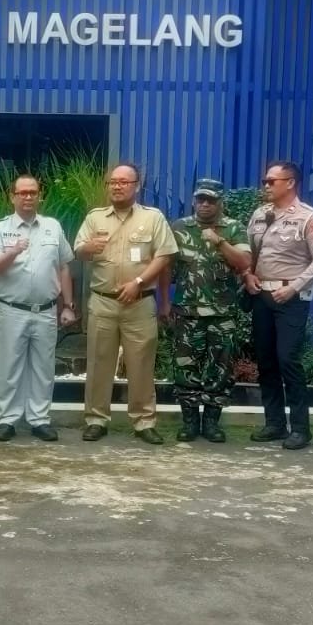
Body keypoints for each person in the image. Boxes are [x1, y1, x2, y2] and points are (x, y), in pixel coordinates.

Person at [74, 163, 178, 444]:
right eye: (112, 182)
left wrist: (139, 283)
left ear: (136, 185)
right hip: (103, 302)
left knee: (141, 363)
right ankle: (96, 419)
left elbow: (164, 256)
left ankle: (144, 422)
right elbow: (78, 250)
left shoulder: (152, 218)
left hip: (140, 303)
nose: (117, 186)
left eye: (124, 182)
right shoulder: (95, 218)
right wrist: (87, 248)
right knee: (98, 363)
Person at [244, 161, 313, 450]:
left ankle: (301, 429)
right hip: (261, 295)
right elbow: (249, 254)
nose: (266, 185)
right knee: (266, 361)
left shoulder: (309, 217)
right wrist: (248, 275)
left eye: (272, 181)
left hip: (291, 297)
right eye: (265, 181)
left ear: (290, 183)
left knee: (288, 360)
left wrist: (293, 287)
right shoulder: (259, 214)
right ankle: (274, 424)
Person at [0, 174, 77, 442]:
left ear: (39, 196)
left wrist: (68, 306)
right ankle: (7, 420)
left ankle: (40, 419)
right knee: (10, 366)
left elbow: (63, 266)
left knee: (43, 368)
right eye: (22, 193)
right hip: (12, 309)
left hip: (46, 310)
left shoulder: (52, 227)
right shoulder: (0, 228)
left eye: (32, 193)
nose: (27, 197)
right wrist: (12, 251)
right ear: (12, 196)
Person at [165, 177, 251, 444]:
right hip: (186, 312)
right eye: (200, 199)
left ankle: (211, 423)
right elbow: (165, 267)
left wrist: (219, 242)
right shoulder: (178, 227)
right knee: (185, 368)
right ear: (194, 200)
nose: (204, 204)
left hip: (222, 314)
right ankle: (190, 422)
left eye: (210, 200)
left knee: (219, 370)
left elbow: (245, 262)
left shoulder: (234, 228)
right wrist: (164, 302)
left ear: (220, 202)